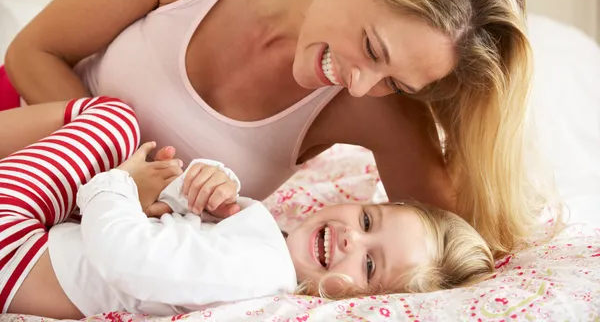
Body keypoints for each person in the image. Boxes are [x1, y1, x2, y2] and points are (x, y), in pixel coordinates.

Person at [3, 0, 554, 256]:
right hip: (18, 134)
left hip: (67, 243)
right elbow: (33, 51)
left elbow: (459, 239)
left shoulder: (374, 110)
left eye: (396, 82)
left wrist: (487, 118)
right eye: (373, 47)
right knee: (110, 119)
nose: (360, 85)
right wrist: (122, 180)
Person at [0, 98, 494, 319]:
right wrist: (199, 190)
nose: (351, 239)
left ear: (359, 302)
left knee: (113, 120)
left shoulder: (258, 272)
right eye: (367, 221)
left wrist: (117, 185)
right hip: (36, 245)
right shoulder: (269, 249)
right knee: (117, 125)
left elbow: (126, 258)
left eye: (369, 263)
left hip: (15, 252)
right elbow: (182, 238)